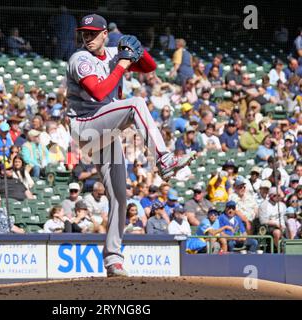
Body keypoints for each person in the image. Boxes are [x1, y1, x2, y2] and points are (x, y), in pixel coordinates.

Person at [67, 14, 196, 277]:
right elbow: (100, 92)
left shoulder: (114, 53)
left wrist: (140, 50)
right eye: (84, 33)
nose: (87, 37)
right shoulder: (79, 59)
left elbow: (149, 68)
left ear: (105, 34)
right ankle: (164, 160)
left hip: (106, 128)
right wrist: (123, 63)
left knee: (119, 196)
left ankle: (113, 259)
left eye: (93, 33)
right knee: (135, 103)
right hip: (86, 126)